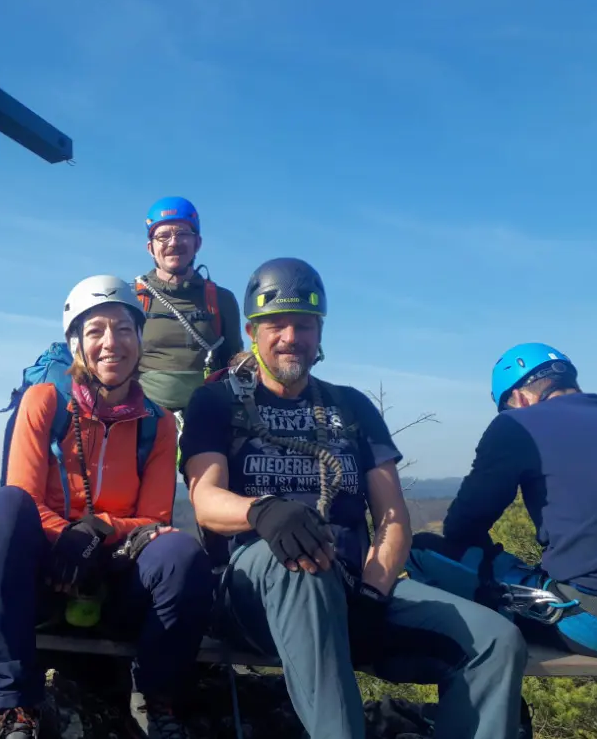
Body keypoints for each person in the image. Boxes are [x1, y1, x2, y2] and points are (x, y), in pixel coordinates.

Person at [178, 256, 530, 739]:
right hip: (255, 590)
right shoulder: (217, 402)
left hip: (352, 586)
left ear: (320, 332)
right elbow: (206, 499)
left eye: (304, 324)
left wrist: (372, 591)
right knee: (304, 568)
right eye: (276, 324)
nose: (291, 336)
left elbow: (392, 516)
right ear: (252, 331)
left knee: (495, 642)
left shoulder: (352, 406)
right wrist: (261, 511)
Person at [0, 275, 214, 739]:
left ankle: (157, 701)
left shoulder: (158, 423)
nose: (111, 343)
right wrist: (67, 537)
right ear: (76, 344)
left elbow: (155, 520)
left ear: (139, 340)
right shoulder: (44, 402)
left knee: (181, 554)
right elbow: (23, 496)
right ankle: (13, 706)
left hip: (114, 573)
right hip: (46, 573)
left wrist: (96, 530)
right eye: (96, 330)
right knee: (2, 508)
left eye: (123, 329)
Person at [406, 342, 597, 658]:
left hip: (592, 621)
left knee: (421, 551)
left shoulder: (517, 425)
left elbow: (462, 526)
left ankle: (472, 665)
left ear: (520, 398)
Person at [134, 196, 243, 427]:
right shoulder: (131, 298)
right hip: (144, 420)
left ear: (197, 243)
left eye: (182, 234)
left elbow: (233, 362)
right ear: (150, 247)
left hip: (205, 417)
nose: (173, 242)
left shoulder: (222, 300)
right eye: (163, 236)